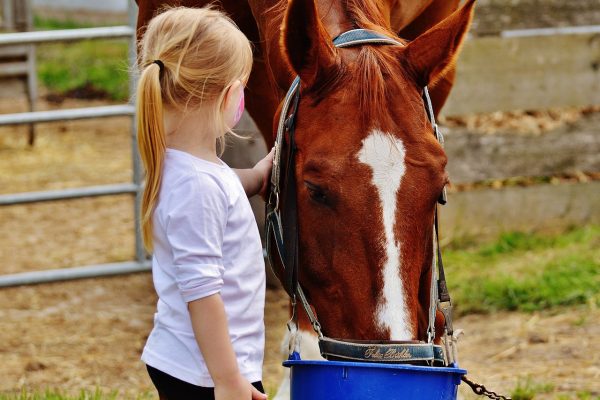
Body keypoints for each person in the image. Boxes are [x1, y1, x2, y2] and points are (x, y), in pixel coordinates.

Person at [135, 6, 272, 400]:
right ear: (231, 94)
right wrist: (228, 381)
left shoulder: (191, 168)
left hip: (193, 363)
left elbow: (225, 189)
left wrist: (261, 175)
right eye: (243, 87)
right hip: (208, 373)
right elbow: (202, 294)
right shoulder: (198, 185)